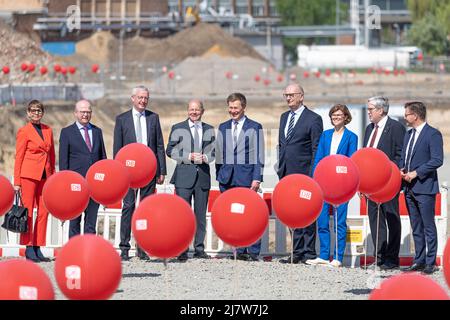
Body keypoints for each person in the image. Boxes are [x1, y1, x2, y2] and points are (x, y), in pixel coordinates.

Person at [113, 86, 167, 261]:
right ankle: (124, 247)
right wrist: (117, 171)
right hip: (127, 172)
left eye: (146, 98)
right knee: (128, 206)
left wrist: (161, 170)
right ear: (133, 98)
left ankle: (142, 248)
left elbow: (159, 145)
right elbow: (117, 147)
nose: (143, 101)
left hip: (149, 171)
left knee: (145, 209)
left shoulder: (153, 118)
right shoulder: (122, 119)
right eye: (140, 98)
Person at [307, 104, 358, 268]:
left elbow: (351, 161)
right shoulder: (325, 135)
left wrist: (345, 181)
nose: (336, 117)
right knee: (321, 220)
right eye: (333, 115)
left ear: (345, 117)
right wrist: (315, 178)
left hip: (342, 186)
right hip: (323, 184)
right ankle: (323, 255)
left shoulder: (352, 137)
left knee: (339, 222)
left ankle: (337, 257)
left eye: (339, 115)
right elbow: (319, 158)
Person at [277, 84, 323, 264]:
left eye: (291, 95)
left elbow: (316, 149)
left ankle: (309, 252)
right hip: (287, 173)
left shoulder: (313, 119)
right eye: (286, 95)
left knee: (307, 212)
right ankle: (296, 252)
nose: (288, 98)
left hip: (305, 174)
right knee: (292, 212)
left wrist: (312, 175)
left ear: (301, 96)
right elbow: (283, 145)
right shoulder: (284, 117)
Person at [215, 92, 264, 261]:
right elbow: (219, 154)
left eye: (236, 107)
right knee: (232, 216)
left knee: (250, 215)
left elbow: (259, 154)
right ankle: (238, 251)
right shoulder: (223, 127)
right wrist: (219, 175)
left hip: (246, 178)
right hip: (227, 179)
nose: (233, 111)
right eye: (230, 107)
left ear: (243, 107)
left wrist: (257, 178)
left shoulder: (255, 126)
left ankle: (253, 252)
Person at [166, 99, 215, 262]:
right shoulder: (177, 128)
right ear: (188, 110)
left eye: (197, 110)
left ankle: (199, 248)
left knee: (200, 215)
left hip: (202, 177)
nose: (194, 112)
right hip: (183, 178)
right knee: (182, 216)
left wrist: (205, 158)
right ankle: (182, 250)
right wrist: (187, 156)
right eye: (191, 109)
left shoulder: (209, 129)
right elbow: (170, 151)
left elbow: (214, 153)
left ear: (202, 111)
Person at [363, 96, 406, 270]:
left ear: (381, 110)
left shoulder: (396, 128)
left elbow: (400, 155)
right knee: (376, 220)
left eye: (370, 109)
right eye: (367, 109)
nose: (368, 112)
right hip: (371, 186)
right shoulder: (369, 129)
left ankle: (391, 258)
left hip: (388, 183)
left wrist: (389, 173)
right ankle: (379, 257)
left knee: (391, 218)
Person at [401, 101, 443, 274]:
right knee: (415, 226)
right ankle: (419, 260)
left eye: (407, 114)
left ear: (415, 115)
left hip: (425, 188)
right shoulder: (408, 134)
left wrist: (416, 173)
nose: (405, 117)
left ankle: (430, 262)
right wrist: (402, 169)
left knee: (428, 226)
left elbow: (437, 160)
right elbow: (405, 156)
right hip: (409, 188)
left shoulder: (433, 134)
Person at [13, 100, 55, 262]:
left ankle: (38, 246)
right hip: (28, 176)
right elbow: (19, 157)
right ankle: (29, 246)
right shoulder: (24, 131)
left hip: (46, 176)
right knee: (28, 211)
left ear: (42, 113)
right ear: (28, 113)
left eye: (38, 111)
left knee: (44, 212)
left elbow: (52, 155)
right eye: (32, 111)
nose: (36, 113)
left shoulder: (48, 130)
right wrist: (17, 182)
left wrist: (53, 178)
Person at [59, 100, 107, 238]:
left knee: (91, 222)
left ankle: (88, 253)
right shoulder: (67, 132)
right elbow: (63, 161)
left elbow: (102, 157)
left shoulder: (97, 131)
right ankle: (74, 252)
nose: (85, 114)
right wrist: (65, 184)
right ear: (76, 113)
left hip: (95, 185)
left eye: (88, 112)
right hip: (75, 184)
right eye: (82, 112)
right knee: (75, 221)